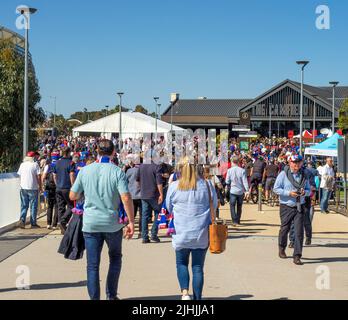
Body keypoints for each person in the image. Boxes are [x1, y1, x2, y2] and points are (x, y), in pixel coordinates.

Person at [69, 139, 134, 300]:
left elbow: (73, 195)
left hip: (91, 223)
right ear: (113, 153)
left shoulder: (85, 170)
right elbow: (125, 197)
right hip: (112, 223)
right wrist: (131, 221)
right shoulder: (117, 171)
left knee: (92, 265)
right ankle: (111, 295)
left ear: (97, 150)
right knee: (115, 259)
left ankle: (94, 298)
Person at [166, 157, 218, 300]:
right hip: (201, 232)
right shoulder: (207, 185)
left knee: (181, 263)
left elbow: (169, 208)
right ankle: (197, 298)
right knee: (198, 268)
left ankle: (184, 293)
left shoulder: (174, 186)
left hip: (181, 231)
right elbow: (214, 206)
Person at [273, 155, 310, 266]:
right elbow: (276, 188)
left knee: (299, 232)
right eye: (294, 162)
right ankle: (281, 248)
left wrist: (305, 192)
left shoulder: (304, 174)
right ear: (290, 163)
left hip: (299, 205)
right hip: (286, 206)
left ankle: (297, 256)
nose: (296, 165)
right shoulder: (283, 174)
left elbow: (309, 190)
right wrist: (289, 193)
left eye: (298, 162)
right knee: (285, 228)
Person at [137, 161, 164, 244]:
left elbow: (137, 180)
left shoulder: (141, 166)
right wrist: (161, 194)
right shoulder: (157, 166)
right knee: (158, 213)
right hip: (153, 194)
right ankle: (153, 234)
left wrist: (141, 189)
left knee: (144, 215)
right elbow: (159, 182)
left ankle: (144, 237)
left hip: (144, 194)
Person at [53, 146, 76, 234]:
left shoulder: (57, 162)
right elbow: (72, 175)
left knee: (60, 207)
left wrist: (57, 184)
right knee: (71, 206)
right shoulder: (71, 163)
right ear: (69, 152)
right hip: (67, 187)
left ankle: (61, 225)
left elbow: (54, 175)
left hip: (58, 187)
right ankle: (63, 221)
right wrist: (73, 186)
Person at [17, 151, 42, 229]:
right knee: (33, 206)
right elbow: (38, 177)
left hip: (23, 188)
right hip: (33, 188)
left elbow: (20, 176)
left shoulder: (22, 165)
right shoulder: (35, 165)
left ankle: (22, 220)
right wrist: (40, 186)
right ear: (33, 157)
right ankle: (33, 223)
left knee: (24, 205)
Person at [225, 156, 249, 227]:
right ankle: (238, 220)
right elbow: (245, 181)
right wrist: (247, 190)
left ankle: (234, 221)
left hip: (233, 190)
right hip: (240, 191)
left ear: (232, 162)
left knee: (232, 206)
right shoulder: (242, 170)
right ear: (238, 162)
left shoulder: (229, 170)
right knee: (239, 206)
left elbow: (227, 181)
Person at [42, 153, 60, 229]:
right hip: (57, 187)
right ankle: (54, 224)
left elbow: (43, 177)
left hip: (49, 187)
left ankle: (48, 223)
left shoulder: (48, 166)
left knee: (50, 206)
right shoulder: (59, 165)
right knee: (57, 205)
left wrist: (43, 186)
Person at [126, 161, 142, 238]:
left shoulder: (129, 170)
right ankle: (141, 232)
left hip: (131, 195)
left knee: (131, 215)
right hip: (141, 195)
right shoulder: (143, 170)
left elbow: (125, 181)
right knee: (142, 215)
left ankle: (128, 230)